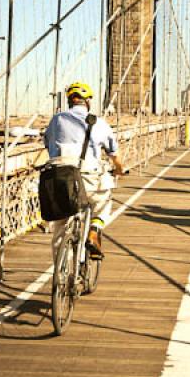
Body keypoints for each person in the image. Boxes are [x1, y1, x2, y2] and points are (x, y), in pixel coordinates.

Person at [44, 81, 124, 260]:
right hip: (88, 178)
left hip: (59, 178)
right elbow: (114, 153)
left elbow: (47, 144)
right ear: (87, 102)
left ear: (70, 101)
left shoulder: (56, 120)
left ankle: (60, 273)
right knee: (103, 201)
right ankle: (94, 230)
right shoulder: (99, 123)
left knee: (61, 224)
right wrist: (119, 169)